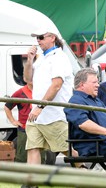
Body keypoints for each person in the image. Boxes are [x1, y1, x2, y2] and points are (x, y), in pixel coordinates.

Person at [23, 30, 74, 167]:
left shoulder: (59, 57)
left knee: (66, 149)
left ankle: (87, 170)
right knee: (33, 147)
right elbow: (28, 80)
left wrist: (40, 107)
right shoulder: (42, 58)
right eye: (36, 38)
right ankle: (31, 183)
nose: (38, 41)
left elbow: (56, 85)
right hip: (36, 114)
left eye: (40, 37)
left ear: (52, 38)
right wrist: (29, 60)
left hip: (54, 115)